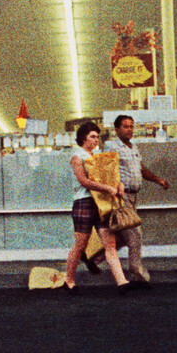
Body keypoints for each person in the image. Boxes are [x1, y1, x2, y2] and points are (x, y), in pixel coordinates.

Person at [63, 120, 132, 291]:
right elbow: (84, 181)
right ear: (83, 139)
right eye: (92, 137)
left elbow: (111, 176)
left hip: (101, 203)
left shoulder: (97, 155)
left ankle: (122, 282)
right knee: (80, 245)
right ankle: (68, 280)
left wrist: (118, 185)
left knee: (110, 243)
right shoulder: (77, 156)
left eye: (97, 137)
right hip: (84, 203)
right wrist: (108, 188)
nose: (96, 140)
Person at [110, 113, 169, 285]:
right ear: (117, 129)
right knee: (135, 233)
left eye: (131, 126)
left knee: (122, 236)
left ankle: (93, 259)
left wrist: (158, 180)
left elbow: (141, 169)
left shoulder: (133, 148)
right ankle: (138, 272)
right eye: (125, 126)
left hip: (134, 197)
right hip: (122, 197)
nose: (129, 130)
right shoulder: (112, 147)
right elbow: (106, 170)